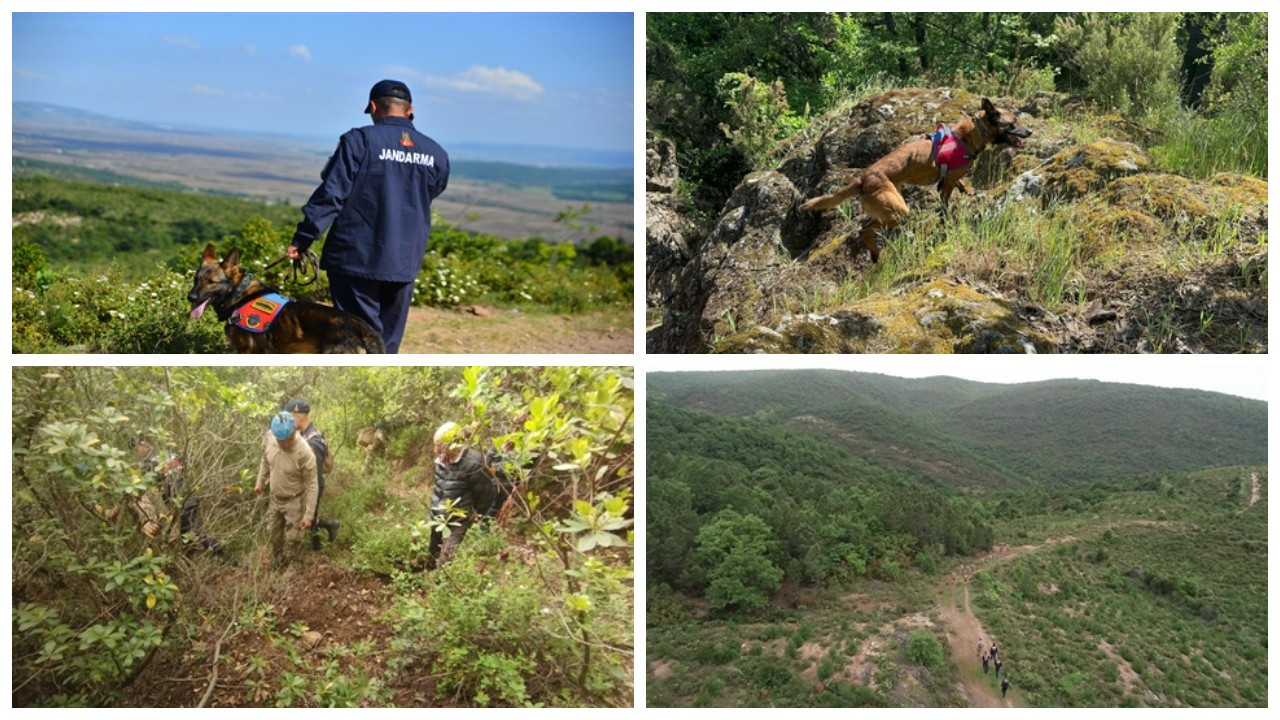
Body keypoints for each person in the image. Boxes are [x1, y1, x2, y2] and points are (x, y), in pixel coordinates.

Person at [288, 79, 450, 354]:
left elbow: (332, 194)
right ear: (410, 111)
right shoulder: (435, 152)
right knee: (387, 341)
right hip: (404, 260)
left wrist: (303, 239)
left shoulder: (359, 141)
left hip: (356, 257)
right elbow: (432, 190)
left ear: (373, 107)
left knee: (360, 338)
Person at [128, 437, 223, 554]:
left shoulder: (147, 465)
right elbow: (193, 460)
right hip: (188, 498)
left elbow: (140, 489)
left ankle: (224, 557)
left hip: (180, 501)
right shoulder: (170, 453)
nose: (136, 453)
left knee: (194, 533)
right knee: (187, 536)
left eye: (136, 449)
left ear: (143, 444)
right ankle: (194, 560)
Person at [426, 421, 499, 570]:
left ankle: (441, 587)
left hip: (458, 519)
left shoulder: (474, 462)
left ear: (454, 444)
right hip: (438, 515)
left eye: (440, 445)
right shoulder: (440, 460)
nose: (436, 450)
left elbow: (486, 495)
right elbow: (440, 487)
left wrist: (476, 514)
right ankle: (428, 573)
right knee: (433, 550)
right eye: (436, 445)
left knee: (446, 559)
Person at [256, 412, 318, 566]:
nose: (285, 444)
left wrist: (308, 515)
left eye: (289, 440)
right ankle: (278, 561)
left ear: (294, 433)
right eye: (281, 441)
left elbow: (312, 485)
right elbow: (265, 460)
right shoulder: (269, 438)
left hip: (294, 501)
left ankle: (293, 566)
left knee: (294, 538)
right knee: (273, 534)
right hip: (274, 499)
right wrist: (260, 482)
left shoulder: (304, 453)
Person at [284, 398, 340, 549]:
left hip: (313, 485)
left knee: (307, 516)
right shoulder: (304, 433)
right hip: (309, 484)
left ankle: (329, 526)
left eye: (290, 418)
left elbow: (314, 474)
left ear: (299, 417)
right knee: (310, 515)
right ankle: (316, 545)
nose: (288, 422)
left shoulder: (312, 441)